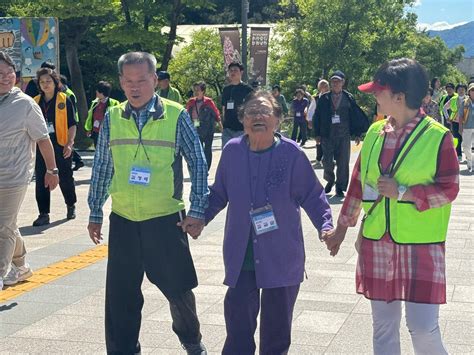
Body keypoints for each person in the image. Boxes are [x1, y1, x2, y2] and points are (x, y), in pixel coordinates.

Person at [325, 58, 459, 355]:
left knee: (423, 328)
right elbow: (358, 185)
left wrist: (405, 193)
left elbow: (449, 189)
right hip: (377, 241)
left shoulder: (438, 136)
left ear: (399, 97)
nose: (373, 95)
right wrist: (341, 230)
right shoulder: (374, 133)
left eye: (378, 90)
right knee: (383, 328)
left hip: (420, 246)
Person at [87, 52, 208, 355]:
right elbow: (103, 165)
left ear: (155, 80)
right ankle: (123, 349)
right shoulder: (113, 117)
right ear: (120, 83)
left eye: (142, 80)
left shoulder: (175, 113)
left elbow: (198, 161)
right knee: (120, 295)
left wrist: (196, 210)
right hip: (124, 218)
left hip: (165, 217)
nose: (135, 86)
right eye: (129, 81)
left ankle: (191, 340)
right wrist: (95, 210)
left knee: (179, 290)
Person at [203, 90, 334, 354]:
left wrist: (326, 226)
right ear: (242, 120)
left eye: (264, 111)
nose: (257, 116)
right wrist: (199, 218)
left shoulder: (292, 153)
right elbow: (219, 193)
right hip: (241, 255)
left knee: (276, 332)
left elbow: (313, 194)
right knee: (238, 325)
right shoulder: (232, 151)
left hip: (281, 254)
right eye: (251, 112)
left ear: (278, 119)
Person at [0, 52, 59, 289]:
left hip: (14, 176)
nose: (5, 78)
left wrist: (52, 170)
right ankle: (21, 267)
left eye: (9, 73)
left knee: (3, 227)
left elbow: (43, 139)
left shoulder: (24, 104)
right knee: (8, 224)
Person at [32, 68, 78, 226]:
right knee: (41, 179)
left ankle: (70, 204)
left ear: (55, 82)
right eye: (42, 82)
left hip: (61, 145)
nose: (45, 84)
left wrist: (70, 143)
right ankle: (44, 213)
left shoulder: (64, 100)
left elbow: (72, 124)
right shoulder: (35, 101)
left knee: (65, 178)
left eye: (48, 81)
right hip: (41, 146)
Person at [314, 70, 369, 197]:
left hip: (343, 135)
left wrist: (357, 133)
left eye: (338, 81)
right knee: (326, 161)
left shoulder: (348, 97)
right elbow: (317, 116)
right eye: (333, 81)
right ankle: (330, 179)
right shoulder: (324, 98)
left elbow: (355, 116)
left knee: (343, 163)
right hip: (328, 134)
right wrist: (317, 134)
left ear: (343, 82)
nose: (335, 84)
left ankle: (340, 186)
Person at [186, 81, 222, 170]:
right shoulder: (191, 102)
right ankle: (199, 166)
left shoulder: (208, 102)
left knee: (207, 149)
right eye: (195, 90)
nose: (196, 92)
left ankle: (206, 168)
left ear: (203, 91)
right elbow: (186, 114)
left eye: (198, 90)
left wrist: (220, 124)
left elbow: (216, 113)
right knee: (198, 149)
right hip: (196, 128)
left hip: (208, 128)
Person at [221, 62, 254, 147]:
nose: (233, 72)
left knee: (241, 156)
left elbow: (253, 109)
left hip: (242, 129)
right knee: (227, 154)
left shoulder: (248, 89)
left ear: (241, 72)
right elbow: (224, 108)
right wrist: (223, 125)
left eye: (235, 70)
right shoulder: (226, 89)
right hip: (227, 129)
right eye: (230, 70)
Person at [84, 81, 120, 147]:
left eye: (97, 91)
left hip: (108, 133)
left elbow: (118, 119)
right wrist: (89, 129)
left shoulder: (114, 103)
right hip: (96, 132)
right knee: (97, 150)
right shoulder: (95, 102)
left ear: (102, 92)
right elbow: (90, 116)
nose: (96, 92)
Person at [60, 74, 84, 171]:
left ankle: (78, 160)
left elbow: (72, 109)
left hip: (71, 121)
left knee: (68, 142)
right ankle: (78, 160)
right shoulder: (63, 92)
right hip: (65, 121)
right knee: (68, 142)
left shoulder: (69, 94)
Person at [308, 79, 330, 167]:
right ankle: (318, 158)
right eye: (322, 86)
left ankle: (328, 158)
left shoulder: (332, 97)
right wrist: (309, 120)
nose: (324, 87)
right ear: (319, 88)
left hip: (329, 123)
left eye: (326, 86)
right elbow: (311, 110)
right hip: (319, 123)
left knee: (329, 141)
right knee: (318, 141)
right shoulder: (316, 98)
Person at [444, 84, 467, 161]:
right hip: (455, 122)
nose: (461, 91)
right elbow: (444, 108)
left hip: (466, 122)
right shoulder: (453, 99)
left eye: (463, 89)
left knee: (466, 139)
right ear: (457, 91)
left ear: (465, 91)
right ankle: (459, 154)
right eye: (459, 89)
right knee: (457, 138)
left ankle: (467, 155)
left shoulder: (469, 99)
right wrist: (447, 118)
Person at [461, 83, 474, 171]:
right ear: (469, 92)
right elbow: (460, 116)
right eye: (472, 90)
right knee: (466, 147)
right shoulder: (464, 102)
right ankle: (471, 159)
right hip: (467, 127)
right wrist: (460, 127)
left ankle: (471, 163)